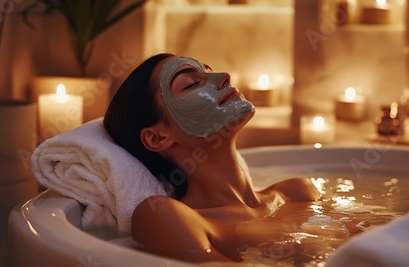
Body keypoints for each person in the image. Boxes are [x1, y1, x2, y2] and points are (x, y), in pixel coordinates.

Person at [103, 53, 328, 264]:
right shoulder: (162, 215)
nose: (225, 77)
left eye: (209, 71)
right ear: (157, 137)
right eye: (191, 83)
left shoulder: (297, 192)